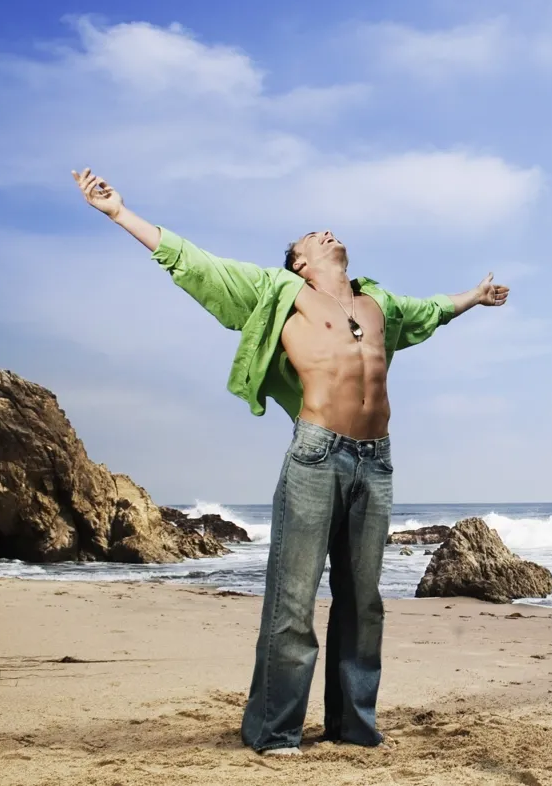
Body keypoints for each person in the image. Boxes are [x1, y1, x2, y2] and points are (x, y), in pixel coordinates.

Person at [72, 167, 508, 755]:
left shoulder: (379, 304)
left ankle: (352, 726)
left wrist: (474, 299)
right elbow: (197, 265)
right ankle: (274, 729)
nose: (327, 233)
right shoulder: (279, 294)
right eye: (313, 236)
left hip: (375, 462)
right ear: (299, 262)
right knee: (292, 599)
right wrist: (120, 213)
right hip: (316, 453)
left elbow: (431, 310)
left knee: (364, 602)